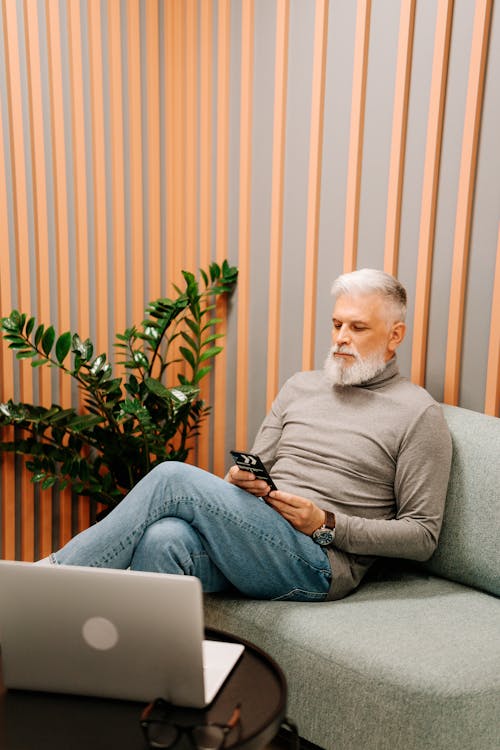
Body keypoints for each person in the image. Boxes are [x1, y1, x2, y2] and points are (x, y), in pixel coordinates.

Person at [41, 269, 452, 601]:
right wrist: (240, 480)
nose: (341, 338)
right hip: (261, 533)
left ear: (395, 335)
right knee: (162, 540)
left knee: (171, 476)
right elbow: (256, 467)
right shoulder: (301, 386)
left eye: (358, 328)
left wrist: (326, 523)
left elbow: (422, 536)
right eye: (337, 324)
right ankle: (151, 682)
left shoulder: (417, 413)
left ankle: (46, 587)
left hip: (320, 560)